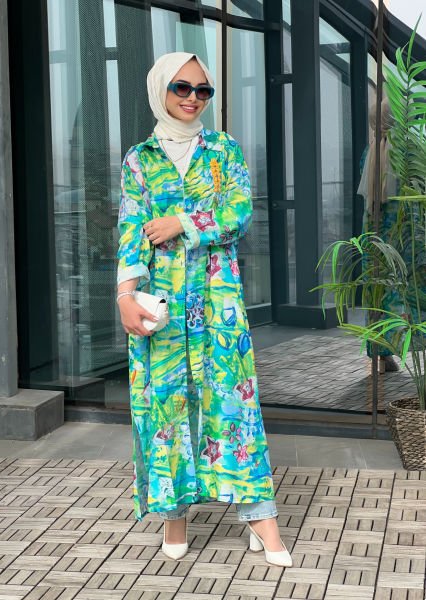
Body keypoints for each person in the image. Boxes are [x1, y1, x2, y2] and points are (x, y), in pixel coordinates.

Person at [116, 51, 292, 567]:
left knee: (234, 404)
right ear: (160, 91)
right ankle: (174, 515)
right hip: (161, 304)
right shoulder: (139, 159)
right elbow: (130, 230)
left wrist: (183, 223)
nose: (193, 98)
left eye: (203, 90)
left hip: (217, 301)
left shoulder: (223, 149)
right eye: (182, 88)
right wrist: (124, 295)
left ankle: (260, 516)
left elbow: (239, 213)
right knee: (166, 407)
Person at [358, 97, 400, 373]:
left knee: (377, 290)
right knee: (405, 289)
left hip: (374, 234)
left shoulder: (369, 152)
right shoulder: (405, 154)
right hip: (402, 235)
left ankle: (380, 356)